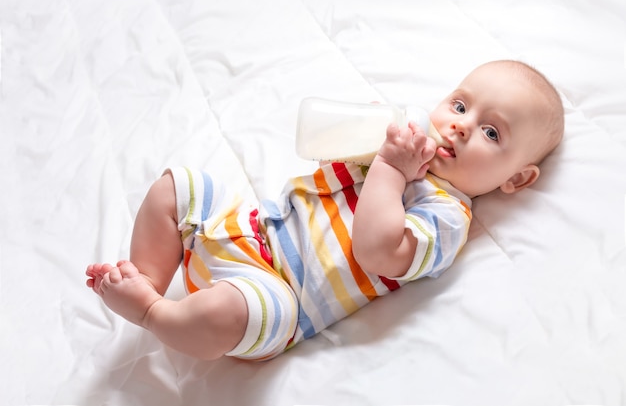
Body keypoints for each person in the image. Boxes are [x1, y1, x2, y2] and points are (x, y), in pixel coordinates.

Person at [86, 60, 564, 361]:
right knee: (180, 185)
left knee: (224, 312)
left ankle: (150, 312)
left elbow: (378, 250)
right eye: (460, 105)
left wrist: (391, 169)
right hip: (250, 228)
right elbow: (320, 157)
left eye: (492, 133)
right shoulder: (404, 145)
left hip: (273, 295)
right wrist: (364, 136)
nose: (461, 127)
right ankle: (147, 276)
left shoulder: (446, 217)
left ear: (515, 179)